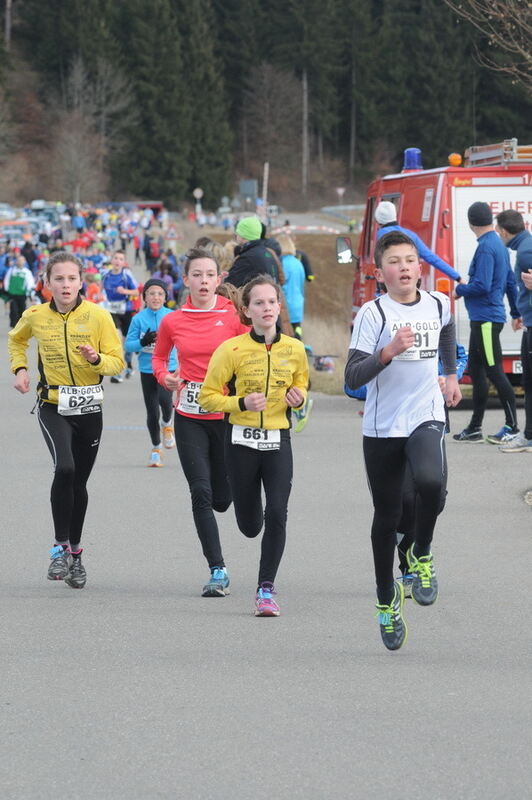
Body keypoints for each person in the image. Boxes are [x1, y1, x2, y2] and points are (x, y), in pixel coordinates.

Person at [345, 231, 461, 650]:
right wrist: (387, 353)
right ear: (381, 272)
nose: (405, 267)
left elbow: (447, 329)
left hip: (425, 413)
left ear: (420, 266)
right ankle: (385, 598)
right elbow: (351, 378)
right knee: (388, 516)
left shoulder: (437, 303)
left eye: (411, 259)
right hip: (382, 427)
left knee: (432, 484)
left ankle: (422, 553)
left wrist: (449, 374)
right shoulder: (373, 314)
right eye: (395, 261)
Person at [8, 251, 125, 588]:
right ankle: (59, 548)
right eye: (58, 279)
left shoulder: (98, 317)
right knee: (66, 468)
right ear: (47, 283)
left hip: (89, 408)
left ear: (81, 281)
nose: (65, 284)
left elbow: (117, 363)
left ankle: (75, 553)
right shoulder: (35, 315)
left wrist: (97, 358)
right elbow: (16, 339)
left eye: (72, 278)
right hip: (52, 404)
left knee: (79, 483)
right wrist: (20, 369)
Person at [199, 275, 309, 617]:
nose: (266, 308)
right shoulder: (231, 350)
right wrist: (241, 404)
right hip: (240, 444)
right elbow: (207, 398)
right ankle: (248, 514)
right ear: (246, 310)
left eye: (271, 302)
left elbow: (302, 384)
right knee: (250, 525)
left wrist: (299, 397)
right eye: (258, 303)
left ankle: (265, 589)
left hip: (278, 440)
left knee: (277, 511)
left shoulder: (295, 349)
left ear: (279, 307)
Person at [152, 248, 249, 597]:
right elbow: (159, 358)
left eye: (210, 274)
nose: (204, 281)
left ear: (219, 280)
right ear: (186, 280)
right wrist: (167, 379)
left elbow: (254, 351)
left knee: (222, 498)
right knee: (200, 492)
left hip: (225, 415)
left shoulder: (233, 316)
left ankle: (231, 495)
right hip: (189, 415)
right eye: (197, 275)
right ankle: (217, 568)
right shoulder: (173, 321)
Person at [453, 201, 520, 444]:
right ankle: (474, 427)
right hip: (484, 318)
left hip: (485, 320)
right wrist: (515, 311)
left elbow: (481, 285)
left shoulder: (485, 248)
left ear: (471, 224)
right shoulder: (500, 245)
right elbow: (511, 283)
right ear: (489, 220)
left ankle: (512, 426)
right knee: (477, 369)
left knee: (493, 370)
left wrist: (460, 289)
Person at [125, 278, 177, 467]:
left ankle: (168, 423)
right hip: (147, 369)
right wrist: (142, 342)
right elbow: (128, 345)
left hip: (168, 367)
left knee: (165, 400)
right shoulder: (138, 319)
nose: (156, 297)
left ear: (165, 297)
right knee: (151, 411)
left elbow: (183, 341)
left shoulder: (172, 316)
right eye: (151, 293)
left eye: (160, 294)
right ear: (144, 297)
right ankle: (156, 449)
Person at [495, 210, 532, 452]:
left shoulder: (526, 251)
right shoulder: (525, 246)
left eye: (498, 232)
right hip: (528, 322)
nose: (498, 235)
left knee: (529, 382)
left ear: (505, 232)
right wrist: (520, 314)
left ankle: (528, 436)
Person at [375, 200, 462, 282]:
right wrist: (457, 277)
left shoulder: (380, 235)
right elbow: (432, 258)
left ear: (378, 219)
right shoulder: (411, 235)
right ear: (395, 215)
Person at [102, 250, 138, 382]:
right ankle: (117, 372)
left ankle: (128, 364)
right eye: (115, 258)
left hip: (126, 310)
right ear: (111, 260)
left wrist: (125, 291)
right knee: (116, 340)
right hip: (111, 310)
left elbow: (137, 291)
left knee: (127, 342)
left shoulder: (126, 275)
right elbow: (100, 290)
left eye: (120, 259)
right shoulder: (105, 275)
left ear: (123, 262)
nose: (117, 261)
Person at [224, 217, 280, 288]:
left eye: (237, 233)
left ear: (243, 236)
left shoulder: (247, 258)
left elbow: (228, 284)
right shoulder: (267, 253)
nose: (236, 236)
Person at [4, 255, 35, 327]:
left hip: (22, 294)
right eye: (18, 260)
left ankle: (20, 326)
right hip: (13, 294)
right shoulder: (11, 270)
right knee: (14, 310)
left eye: (21, 260)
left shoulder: (27, 272)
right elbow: (7, 279)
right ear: (16, 261)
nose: (20, 262)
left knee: (22, 310)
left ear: (24, 262)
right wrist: (7, 289)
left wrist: (30, 292)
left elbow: (30, 282)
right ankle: (13, 326)